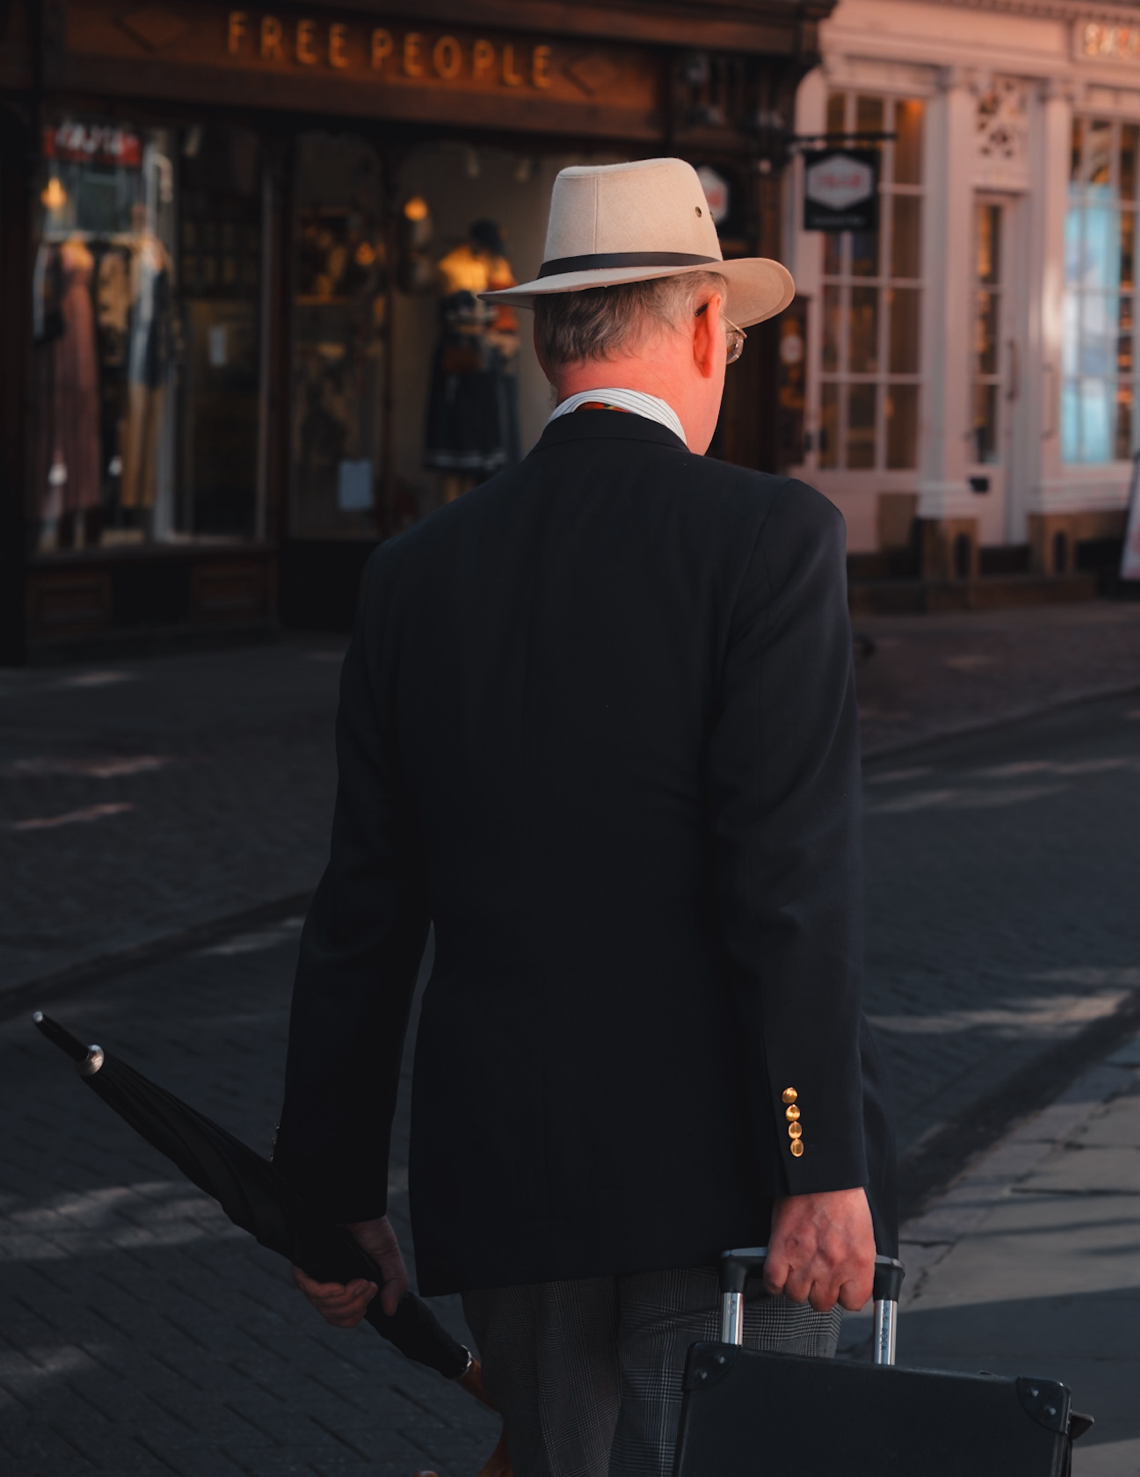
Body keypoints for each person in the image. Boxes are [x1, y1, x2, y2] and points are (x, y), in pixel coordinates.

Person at [274, 157, 895, 1476]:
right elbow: (787, 874)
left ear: (545, 340)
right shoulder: (767, 538)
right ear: (706, 327)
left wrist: (327, 1199)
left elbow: (362, 915)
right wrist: (816, 1155)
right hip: (731, 1179)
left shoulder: (412, 575)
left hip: (513, 1178)